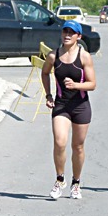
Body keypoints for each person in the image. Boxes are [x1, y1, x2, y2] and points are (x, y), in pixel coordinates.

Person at [41, 20, 96, 199]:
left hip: (80, 106)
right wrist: (48, 95)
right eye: (65, 31)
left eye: (71, 33)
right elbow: (44, 72)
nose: (67, 35)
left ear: (78, 36)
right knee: (59, 142)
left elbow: (92, 84)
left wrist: (76, 85)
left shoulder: (84, 56)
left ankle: (76, 183)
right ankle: (59, 180)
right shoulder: (53, 55)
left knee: (78, 146)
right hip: (61, 105)